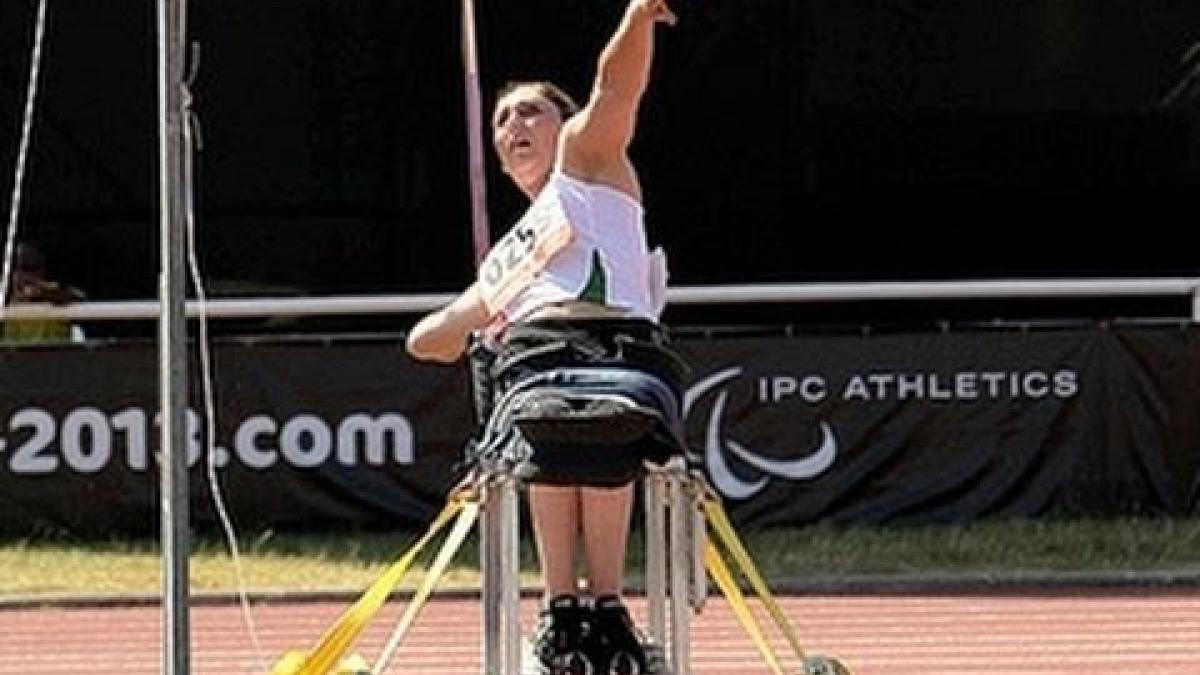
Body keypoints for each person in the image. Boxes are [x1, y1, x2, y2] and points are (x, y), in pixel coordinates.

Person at [406, 2, 681, 673]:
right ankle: (566, 613)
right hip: (535, 366)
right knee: (543, 415)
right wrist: (477, 322)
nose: (513, 126)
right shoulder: (505, 259)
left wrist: (637, 16)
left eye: (530, 112)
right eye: (503, 119)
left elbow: (617, 88)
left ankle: (607, 607)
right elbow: (428, 338)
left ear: (564, 126)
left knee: (589, 414)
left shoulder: (587, 165)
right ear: (497, 158)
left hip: (619, 355)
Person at [1, 242, 86, 344]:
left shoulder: (54, 292)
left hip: (53, 357)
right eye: (15, 269)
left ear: (41, 270)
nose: (24, 275)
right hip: (11, 358)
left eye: (29, 268)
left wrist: (45, 293)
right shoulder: (4, 297)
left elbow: (81, 300)